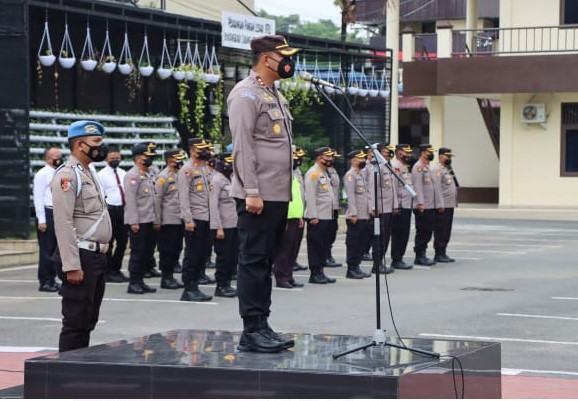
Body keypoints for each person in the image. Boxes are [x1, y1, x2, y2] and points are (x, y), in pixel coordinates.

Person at [228, 34, 299, 353]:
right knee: (253, 260)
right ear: (267, 57)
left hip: (277, 194)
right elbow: (243, 146)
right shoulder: (246, 95)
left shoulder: (275, 95)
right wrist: (251, 191)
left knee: (266, 259)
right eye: (283, 56)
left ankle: (262, 324)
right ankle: (251, 329)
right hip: (257, 195)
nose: (289, 62)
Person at [51, 120, 112, 352]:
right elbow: (63, 222)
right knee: (75, 322)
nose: (101, 147)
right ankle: (64, 378)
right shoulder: (67, 176)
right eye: (96, 142)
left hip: (96, 256)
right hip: (80, 256)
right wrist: (71, 265)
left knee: (88, 320)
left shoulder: (88, 172)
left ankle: (77, 370)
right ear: (79, 144)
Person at [178, 137, 214, 302]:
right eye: (201, 150)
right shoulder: (187, 170)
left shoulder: (205, 169)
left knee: (202, 253)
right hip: (195, 218)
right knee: (192, 254)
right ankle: (189, 287)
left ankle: (196, 284)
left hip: (207, 217)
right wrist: (188, 219)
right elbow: (183, 196)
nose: (205, 152)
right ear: (193, 152)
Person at [124, 142, 158, 294]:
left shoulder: (148, 174)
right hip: (139, 221)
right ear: (138, 158)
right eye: (147, 156)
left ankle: (141, 280)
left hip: (149, 219)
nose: (150, 159)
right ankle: (134, 282)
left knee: (147, 252)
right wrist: (133, 221)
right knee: (137, 252)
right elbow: (130, 201)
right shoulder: (133, 175)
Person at [273, 146, 307, 289]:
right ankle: (281, 277)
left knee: (293, 249)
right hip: (286, 218)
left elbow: (298, 198)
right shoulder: (280, 175)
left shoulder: (294, 174)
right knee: (284, 250)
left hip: (296, 216)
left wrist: (300, 216)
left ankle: (289, 274)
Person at [304, 147, 338, 284]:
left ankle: (321, 271)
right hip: (317, 217)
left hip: (327, 216)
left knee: (323, 245)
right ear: (319, 158)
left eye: (331, 157)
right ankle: (315, 273)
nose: (330, 159)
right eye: (327, 157)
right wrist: (312, 216)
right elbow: (310, 196)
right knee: (315, 246)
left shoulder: (324, 173)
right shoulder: (313, 173)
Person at [153, 149, 186, 290]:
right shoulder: (163, 176)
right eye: (177, 158)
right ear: (170, 160)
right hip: (168, 219)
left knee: (177, 248)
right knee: (167, 250)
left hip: (180, 218)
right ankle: (166, 278)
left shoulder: (181, 174)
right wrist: (157, 220)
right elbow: (157, 199)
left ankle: (171, 276)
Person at [97, 146, 129, 283]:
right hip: (109, 210)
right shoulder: (101, 175)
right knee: (108, 243)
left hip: (123, 209)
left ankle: (116, 269)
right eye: (112, 158)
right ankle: (107, 270)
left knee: (122, 242)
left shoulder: (123, 173)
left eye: (117, 158)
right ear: (106, 158)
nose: (115, 160)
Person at [33, 146, 63, 292]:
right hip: (47, 213)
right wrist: (41, 219)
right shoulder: (42, 174)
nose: (59, 158)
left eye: (60, 155)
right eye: (55, 156)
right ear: (48, 158)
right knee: (47, 249)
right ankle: (45, 280)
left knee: (56, 250)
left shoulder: (61, 173)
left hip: (59, 213)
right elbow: (38, 198)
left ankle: (52, 278)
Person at [208, 153, 238, 297]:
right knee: (223, 257)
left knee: (232, 256)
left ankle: (227, 284)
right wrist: (218, 227)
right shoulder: (217, 180)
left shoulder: (231, 178)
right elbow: (213, 205)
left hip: (233, 224)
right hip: (223, 226)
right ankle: (221, 286)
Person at [412, 144, 444, 266]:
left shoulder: (427, 167)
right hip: (423, 206)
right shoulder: (418, 167)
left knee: (428, 231)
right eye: (429, 152)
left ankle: (423, 253)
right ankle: (419, 255)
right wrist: (420, 202)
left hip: (431, 205)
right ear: (423, 153)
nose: (431, 154)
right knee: (422, 231)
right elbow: (417, 186)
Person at [368, 143, 398, 274]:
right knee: (379, 238)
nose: (389, 153)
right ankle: (376, 264)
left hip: (388, 209)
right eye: (386, 151)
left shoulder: (388, 167)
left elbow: (392, 190)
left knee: (386, 238)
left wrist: (395, 205)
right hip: (380, 209)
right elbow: (372, 188)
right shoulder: (377, 168)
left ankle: (380, 262)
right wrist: (373, 207)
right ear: (379, 153)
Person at [343, 149, 373, 279]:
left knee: (360, 243)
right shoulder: (351, 175)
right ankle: (351, 269)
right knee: (353, 243)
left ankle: (357, 266)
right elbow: (350, 197)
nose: (363, 161)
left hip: (364, 214)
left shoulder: (360, 174)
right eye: (360, 159)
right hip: (356, 216)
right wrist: (353, 214)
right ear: (353, 160)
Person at [390, 144, 415, 270]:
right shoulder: (395, 167)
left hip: (406, 205)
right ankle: (396, 259)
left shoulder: (404, 167)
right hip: (400, 206)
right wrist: (395, 205)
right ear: (399, 153)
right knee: (399, 233)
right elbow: (393, 188)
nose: (409, 155)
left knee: (404, 233)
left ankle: (400, 257)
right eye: (406, 153)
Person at [432, 147, 458, 263]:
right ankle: (439, 253)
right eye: (448, 156)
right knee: (441, 230)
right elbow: (437, 188)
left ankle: (443, 252)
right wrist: (439, 204)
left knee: (447, 230)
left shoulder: (447, 169)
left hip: (449, 204)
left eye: (450, 157)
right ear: (441, 156)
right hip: (443, 205)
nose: (449, 158)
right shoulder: (437, 170)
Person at [324, 148, 342, 268]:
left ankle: (328, 254)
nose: (333, 159)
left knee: (332, 231)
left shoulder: (333, 171)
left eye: (334, 157)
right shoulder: (323, 172)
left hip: (334, 206)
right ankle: (325, 256)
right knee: (326, 233)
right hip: (326, 207)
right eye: (331, 157)